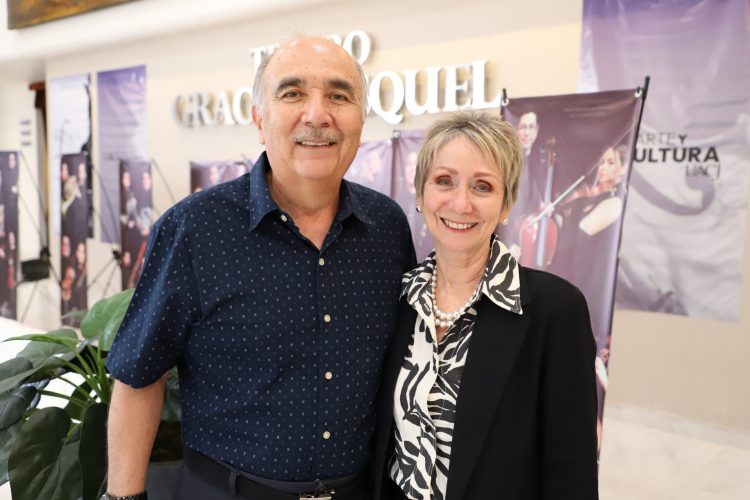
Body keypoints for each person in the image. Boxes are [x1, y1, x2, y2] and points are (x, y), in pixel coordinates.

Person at [104, 36, 416, 500]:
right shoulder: (194, 229)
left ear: (361, 118)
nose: (317, 115)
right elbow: (138, 375)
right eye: (292, 93)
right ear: (259, 120)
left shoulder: (387, 227)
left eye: (339, 95)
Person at [372, 111, 599, 500]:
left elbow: (571, 471)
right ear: (420, 194)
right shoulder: (400, 296)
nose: (461, 203)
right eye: (444, 181)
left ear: (506, 204)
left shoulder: (556, 311)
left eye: (482, 186)